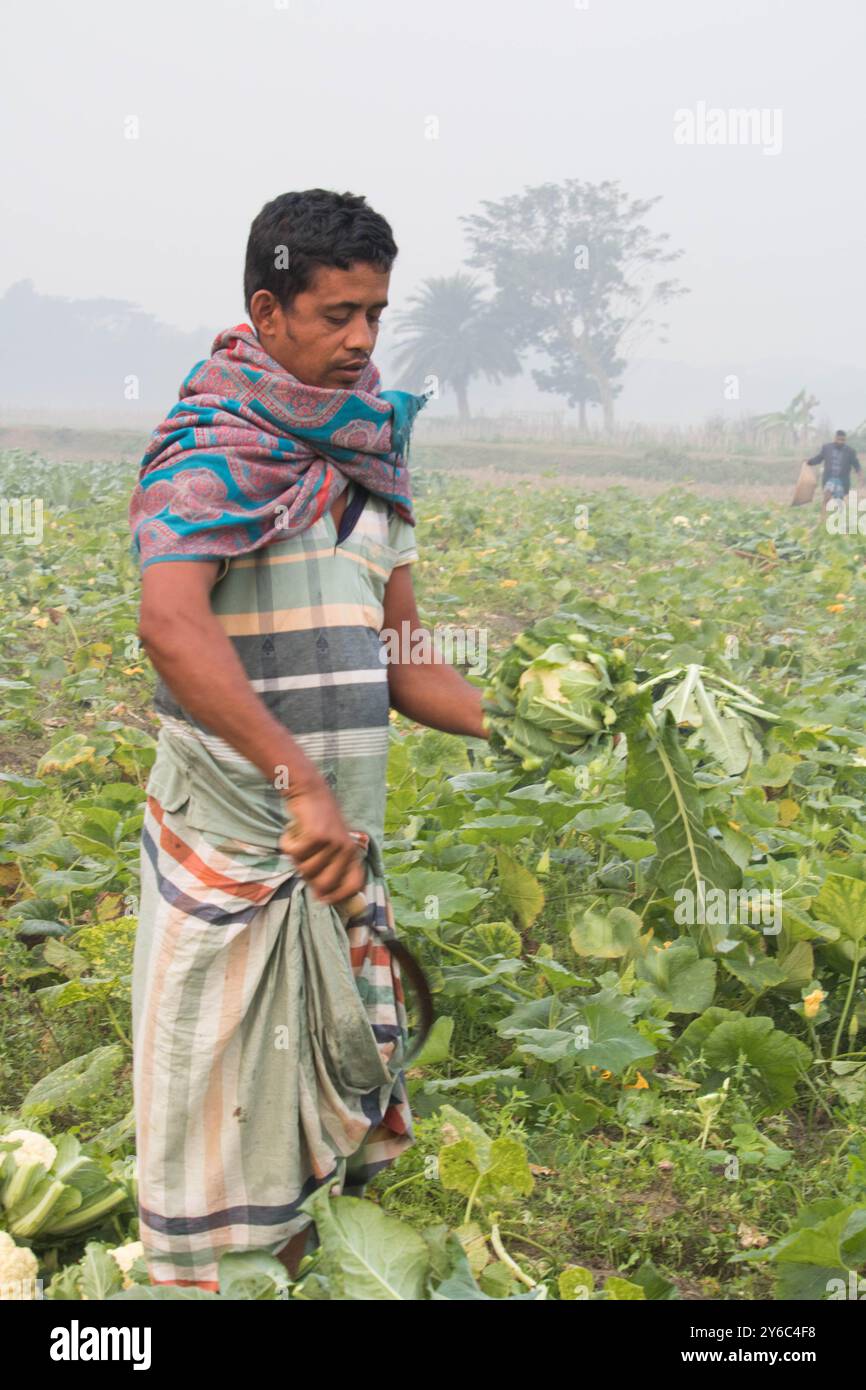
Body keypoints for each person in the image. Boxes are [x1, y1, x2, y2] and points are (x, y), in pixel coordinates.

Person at [128, 189, 489, 1290]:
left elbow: (404, 657)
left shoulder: (372, 459)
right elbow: (170, 621)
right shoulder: (205, 449)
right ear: (265, 308)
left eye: (376, 313)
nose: (360, 340)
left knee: (308, 1137)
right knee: (211, 1120)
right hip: (237, 846)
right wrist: (295, 782)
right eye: (336, 314)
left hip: (335, 851)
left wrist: (523, 720)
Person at [806, 429, 861, 519]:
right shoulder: (827, 448)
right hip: (829, 479)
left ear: (845, 440)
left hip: (841, 480)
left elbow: (856, 464)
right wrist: (809, 462)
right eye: (839, 439)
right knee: (826, 498)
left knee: (839, 501)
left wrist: (860, 474)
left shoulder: (850, 451)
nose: (840, 442)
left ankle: (839, 521)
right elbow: (819, 458)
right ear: (835, 438)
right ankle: (822, 520)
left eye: (843, 440)